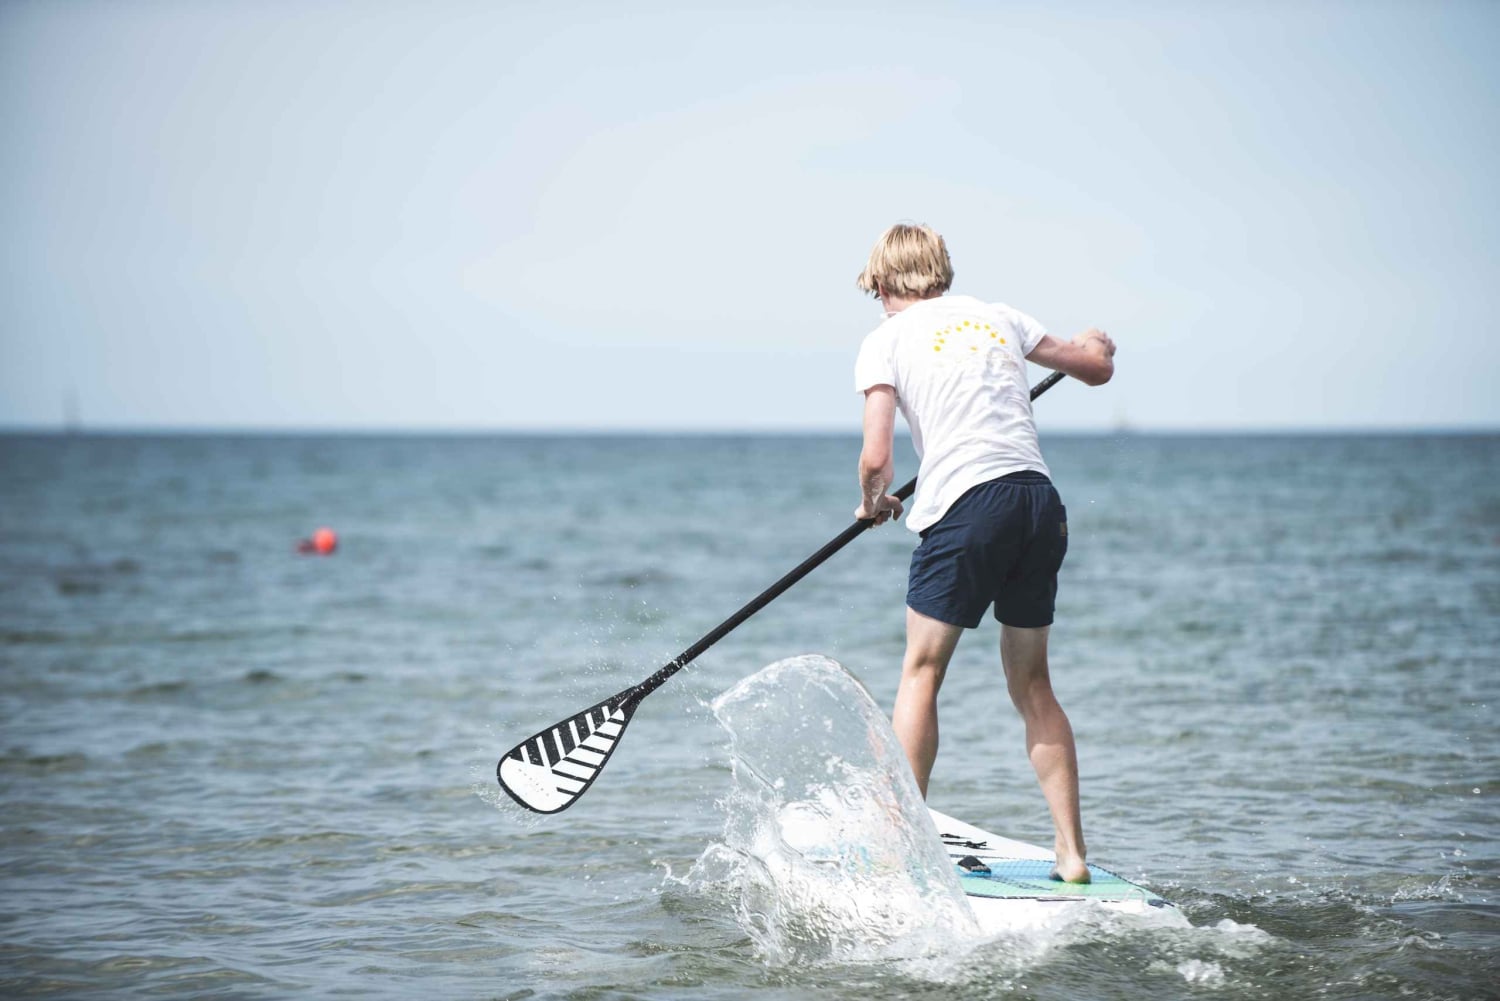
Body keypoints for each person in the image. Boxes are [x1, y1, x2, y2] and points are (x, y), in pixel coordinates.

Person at [851, 222, 1115, 883]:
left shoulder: (884, 341)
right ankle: (1072, 854)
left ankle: (901, 850)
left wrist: (872, 503)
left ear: (883, 284)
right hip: (1038, 503)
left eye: (876, 291)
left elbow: (877, 459)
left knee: (921, 673)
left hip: (967, 508)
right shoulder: (1000, 316)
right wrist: (1094, 345)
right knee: (1033, 685)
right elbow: (1094, 370)